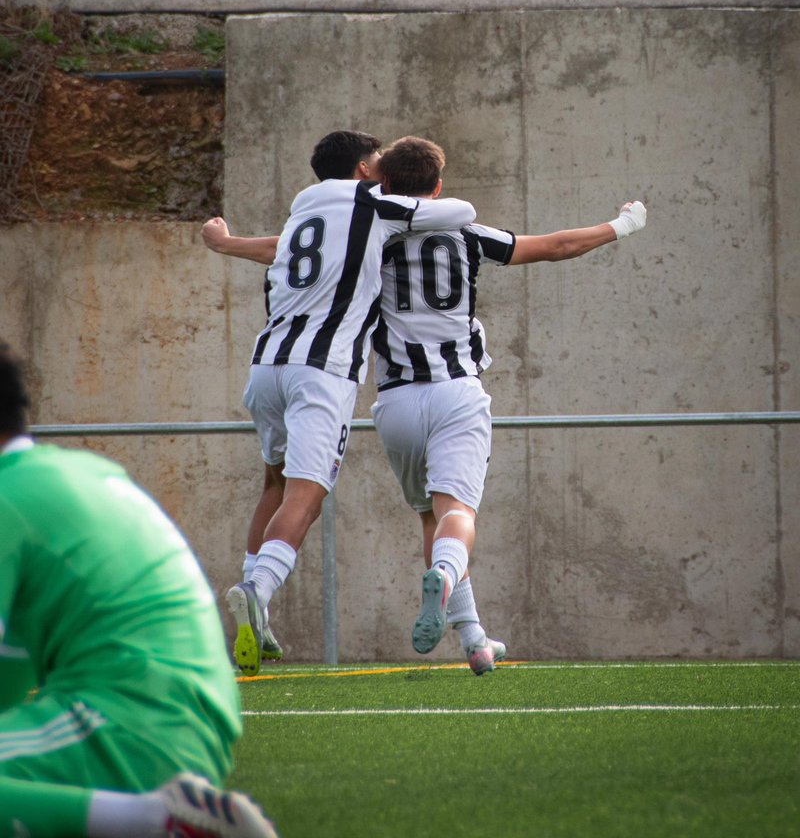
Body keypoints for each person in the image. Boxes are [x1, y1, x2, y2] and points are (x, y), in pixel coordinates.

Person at [203, 130, 476, 674]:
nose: (381, 170)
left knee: (274, 485)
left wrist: (223, 243)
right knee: (305, 498)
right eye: (376, 162)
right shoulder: (372, 203)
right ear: (360, 167)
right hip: (320, 371)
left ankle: (259, 610)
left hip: (266, 366)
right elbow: (459, 211)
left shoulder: (305, 210)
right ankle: (256, 589)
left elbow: (273, 249)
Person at [370, 138, 647, 672]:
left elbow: (288, 250)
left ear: (385, 184)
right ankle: (446, 579)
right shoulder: (466, 234)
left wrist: (230, 243)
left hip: (396, 401)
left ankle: (473, 637)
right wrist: (621, 226)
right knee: (458, 514)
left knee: (431, 517)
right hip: (456, 393)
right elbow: (556, 246)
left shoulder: (368, 237)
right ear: (438, 187)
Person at [0, 341, 277, 838]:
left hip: (125, 727)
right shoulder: (81, 472)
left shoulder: (7, 500)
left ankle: (160, 824)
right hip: (194, 727)